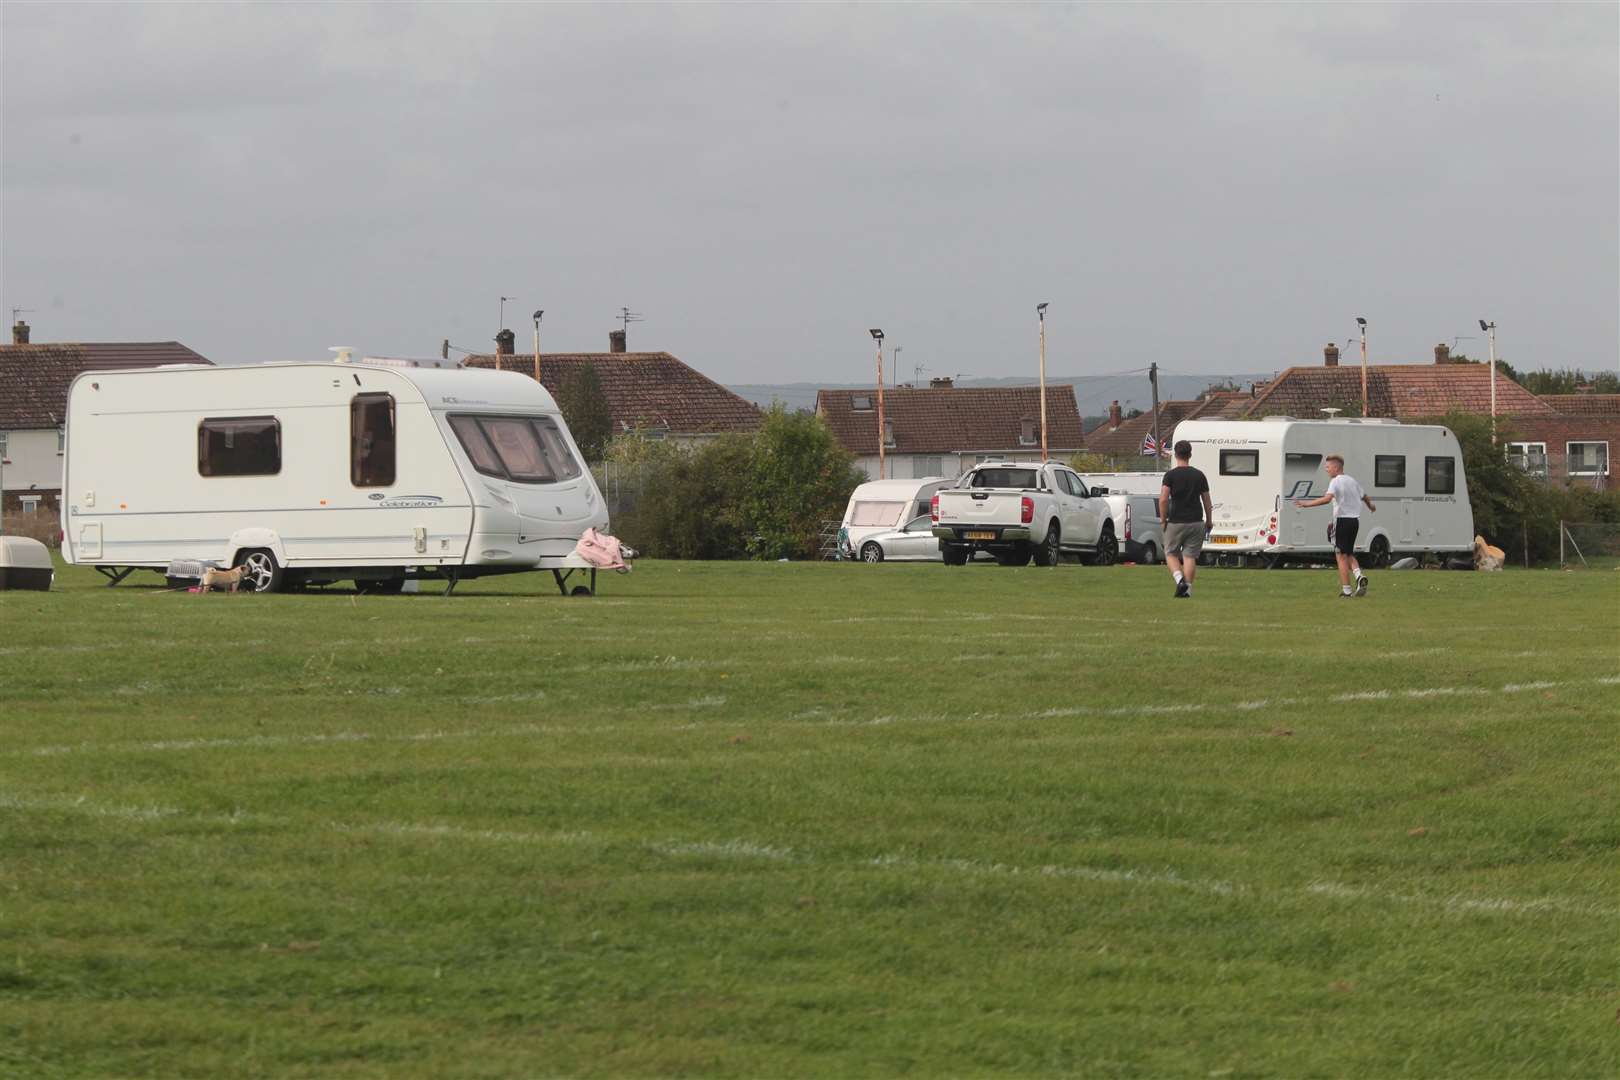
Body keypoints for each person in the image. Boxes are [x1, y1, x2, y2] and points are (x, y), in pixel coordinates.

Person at [1293, 453, 1376, 597]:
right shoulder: (1352, 480)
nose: (1326, 469)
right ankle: (1359, 575)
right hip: (1354, 522)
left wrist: (1307, 504)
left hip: (1342, 521)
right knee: (1348, 553)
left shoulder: (1336, 481)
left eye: (1328, 466)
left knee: (1340, 555)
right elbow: (1365, 496)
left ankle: (1346, 590)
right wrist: (1371, 506)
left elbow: (1327, 499)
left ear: (1336, 467)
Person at [1159, 439, 1212, 598]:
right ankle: (1187, 590)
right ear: (1190, 454)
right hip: (1196, 521)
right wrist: (1209, 520)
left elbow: (1163, 499)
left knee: (1170, 554)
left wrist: (1163, 520)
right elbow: (1207, 501)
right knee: (1190, 556)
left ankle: (1179, 580)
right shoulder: (1199, 475)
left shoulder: (1170, 475)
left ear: (1175, 455)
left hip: (1176, 521)